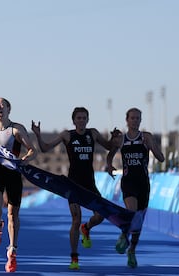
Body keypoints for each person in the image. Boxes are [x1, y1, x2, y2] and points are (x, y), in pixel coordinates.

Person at [31, 107, 114, 270]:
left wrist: (115, 138)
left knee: (100, 215)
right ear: (74, 120)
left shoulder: (93, 134)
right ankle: (74, 257)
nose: (81, 121)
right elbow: (45, 148)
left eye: (84, 118)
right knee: (75, 219)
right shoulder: (67, 135)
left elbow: (110, 146)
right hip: (73, 184)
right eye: (79, 118)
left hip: (89, 184)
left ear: (88, 120)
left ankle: (87, 227)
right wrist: (38, 135)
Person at [0, 97, 36, 273]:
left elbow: (32, 150)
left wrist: (25, 160)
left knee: (12, 214)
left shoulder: (16, 129)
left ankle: (12, 250)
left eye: (1, 105)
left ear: (9, 109)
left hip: (13, 173)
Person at [106, 107, 165, 268]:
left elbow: (161, 158)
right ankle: (124, 235)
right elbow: (110, 154)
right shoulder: (121, 139)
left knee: (138, 222)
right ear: (127, 120)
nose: (135, 121)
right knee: (132, 213)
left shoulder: (146, 137)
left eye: (138, 118)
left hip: (143, 184)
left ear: (140, 120)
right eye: (132, 118)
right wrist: (109, 165)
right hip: (128, 182)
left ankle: (132, 250)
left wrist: (151, 146)